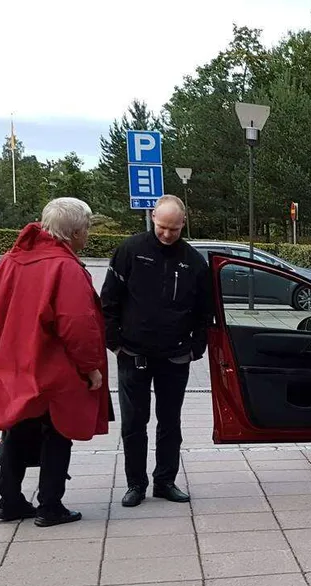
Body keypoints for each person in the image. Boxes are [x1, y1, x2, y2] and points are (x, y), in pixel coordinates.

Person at [0, 198, 109, 526]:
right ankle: (50, 505)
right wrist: (91, 367)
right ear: (75, 231)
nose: (87, 234)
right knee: (57, 433)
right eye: (86, 228)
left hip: (14, 364)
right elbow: (77, 323)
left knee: (16, 430)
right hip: (52, 368)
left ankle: (10, 500)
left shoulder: (11, 261)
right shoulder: (65, 267)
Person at [101, 195, 212, 508]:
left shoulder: (193, 261)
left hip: (175, 355)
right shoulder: (130, 251)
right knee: (134, 423)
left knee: (170, 422)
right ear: (152, 218)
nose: (167, 234)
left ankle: (165, 481)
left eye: (174, 229)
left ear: (183, 225)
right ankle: (135, 483)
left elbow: (205, 311)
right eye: (163, 227)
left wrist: (196, 348)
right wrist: (115, 342)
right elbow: (108, 300)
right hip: (132, 352)